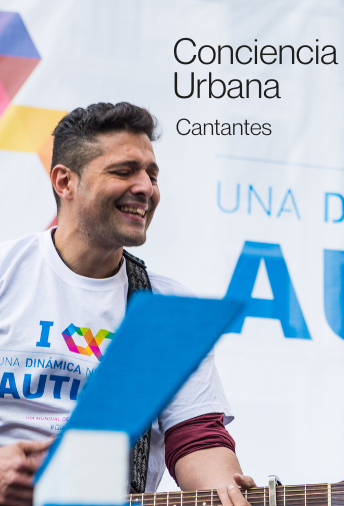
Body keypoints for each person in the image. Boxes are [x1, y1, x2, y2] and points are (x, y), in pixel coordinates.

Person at [0, 103, 255, 506]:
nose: (146, 188)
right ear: (65, 182)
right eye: (124, 171)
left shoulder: (166, 308)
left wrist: (224, 492)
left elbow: (197, 437)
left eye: (152, 175)